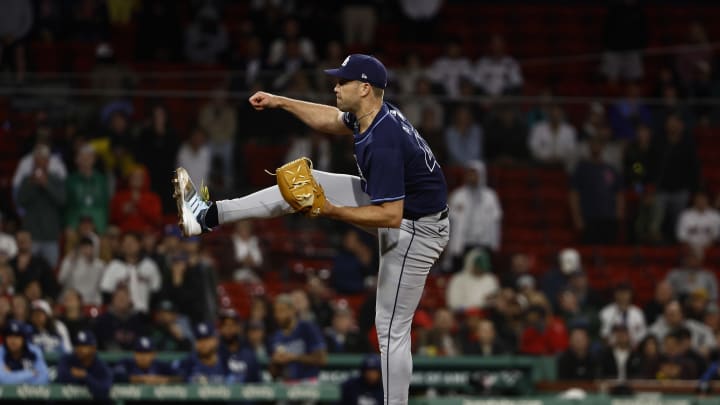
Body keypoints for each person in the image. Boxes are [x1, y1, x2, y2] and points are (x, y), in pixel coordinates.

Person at [174, 53, 449, 405]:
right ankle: (206, 216)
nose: (335, 85)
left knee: (391, 329)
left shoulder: (384, 140)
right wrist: (280, 102)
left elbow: (390, 217)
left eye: (342, 81)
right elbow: (333, 120)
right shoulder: (374, 113)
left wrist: (333, 211)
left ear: (365, 88)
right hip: (407, 214)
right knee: (310, 183)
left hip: (418, 231)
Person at [16, 143, 66, 267]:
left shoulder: (56, 180)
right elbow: (21, 201)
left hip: (50, 235)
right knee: (29, 269)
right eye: (37, 160)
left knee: (50, 269)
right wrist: (33, 184)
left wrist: (46, 184)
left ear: (48, 162)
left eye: (43, 160)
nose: (40, 163)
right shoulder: (27, 180)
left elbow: (62, 201)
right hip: (31, 235)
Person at [569, 138, 624, 244]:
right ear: (589, 146)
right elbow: (573, 194)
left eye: (599, 144)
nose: (596, 146)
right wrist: (577, 217)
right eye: (593, 143)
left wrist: (619, 215)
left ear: (603, 147)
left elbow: (619, 194)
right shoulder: (582, 168)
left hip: (609, 218)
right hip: (589, 218)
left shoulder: (610, 169)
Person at [447, 161, 502, 264]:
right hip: (462, 244)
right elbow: (450, 222)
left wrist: (495, 245)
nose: (472, 177)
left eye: (475, 174)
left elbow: (495, 222)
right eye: (470, 173)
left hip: (484, 243)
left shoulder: (490, 196)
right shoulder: (457, 196)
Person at [267, 293, 327, 382]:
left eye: (282, 311)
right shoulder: (275, 337)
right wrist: (275, 362)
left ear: (292, 310)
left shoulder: (307, 328)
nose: (277, 315)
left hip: (308, 383)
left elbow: (322, 359)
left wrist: (293, 357)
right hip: (286, 384)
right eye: (276, 311)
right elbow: (273, 375)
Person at [100, 232, 161, 313]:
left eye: (132, 242)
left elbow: (156, 291)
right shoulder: (114, 266)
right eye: (126, 243)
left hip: (144, 314)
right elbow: (106, 291)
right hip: (121, 315)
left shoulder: (149, 265)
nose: (129, 245)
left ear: (140, 244)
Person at [65, 144, 110, 234]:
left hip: (98, 222)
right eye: (82, 157)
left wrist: (104, 225)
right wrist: (68, 225)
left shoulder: (101, 180)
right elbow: (66, 205)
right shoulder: (70, 180)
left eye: (89, 157)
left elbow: (106, 204)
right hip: (75, 221)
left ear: (94, 160)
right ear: (76, 160)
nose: (86, 160)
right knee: (70, 237)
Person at [56, 330, 113, 401]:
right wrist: (87, 381)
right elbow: (62, 378)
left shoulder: (100, 366)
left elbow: (104, 390)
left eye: (84, 346)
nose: (79, 349)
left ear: (93, 349)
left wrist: (85, 377)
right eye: (77, 345)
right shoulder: (67, 360)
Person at [110, 166, 163, 233]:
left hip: (145, 233)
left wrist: (140, 205)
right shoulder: (119, 196)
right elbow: (112, 218)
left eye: (139, 176)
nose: (136, 179)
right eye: (134, 176)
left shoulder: (152, 198)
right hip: (124, 233)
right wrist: (122, 211)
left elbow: (157, 220)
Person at [94, 286, 148, 351]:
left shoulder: (138, 321)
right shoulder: (103, 321)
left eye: (124, 297)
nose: (121, 300)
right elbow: (101, 343)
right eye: (118, 297)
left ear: (130, 300)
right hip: (110, 360)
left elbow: (142, 343)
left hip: (134, 359)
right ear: (113, 299)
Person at [528, 105, 578, 171]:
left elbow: (572, 149)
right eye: (553, 115)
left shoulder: (570, 130)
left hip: (563, 164)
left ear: (562, 115)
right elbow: (532, 146)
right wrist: (546, 158)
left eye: (558, 115)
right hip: (541, 163)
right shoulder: (538, 128)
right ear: (549, 115)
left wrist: (559, 157)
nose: (555, 117)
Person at [58, 236, 105, 305]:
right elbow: (60, 280)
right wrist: (70, 264)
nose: (87, 251)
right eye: (84, 247)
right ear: (80, 248)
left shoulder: (100, 265)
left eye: (89, 248)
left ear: (93, 249)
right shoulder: (70, 261)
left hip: (92, 302)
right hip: (72, 300)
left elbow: (102, 286)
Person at [0, 320, 49, 384]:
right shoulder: (1, 351)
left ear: (24, 339)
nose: (13, 340)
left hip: (32, 393)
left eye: (17, 336)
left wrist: (11, 375)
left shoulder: (33, 351)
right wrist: (31, 373)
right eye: (9, 336)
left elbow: (44, 378)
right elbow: (3, 379)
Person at [113, 336, 177, 384]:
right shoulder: (126, 362)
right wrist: (141, 379)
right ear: (135, 354)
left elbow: (181, 376)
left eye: (147, 353)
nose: (143, 356)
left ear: (153, 354)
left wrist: (163, 379)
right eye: (140, 352)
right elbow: (116, 376)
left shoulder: (160, 364)